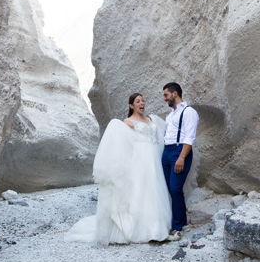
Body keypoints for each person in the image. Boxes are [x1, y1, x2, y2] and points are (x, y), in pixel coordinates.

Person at [65, 93, 172, 244]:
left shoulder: (151, 119)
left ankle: (158, 225)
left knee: (156, 190)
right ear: (131, 106)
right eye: (137, 101)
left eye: (143, 100)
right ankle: (145, 228)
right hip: (140, 162)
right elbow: (121, 144)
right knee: (142, 191)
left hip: (154, 161)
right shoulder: (127, 123)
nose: (142, 103)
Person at [161, 82, 199, 241]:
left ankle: (178, 226)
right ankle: (180, 220)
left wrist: (181, 157)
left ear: (175, 93)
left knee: (175, 188)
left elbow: (189, 138)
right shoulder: (170, 115)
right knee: (170, 189)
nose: (164, 98)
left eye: (166, 95)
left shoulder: (189, 112)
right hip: (167, 151)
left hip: (179, 151)